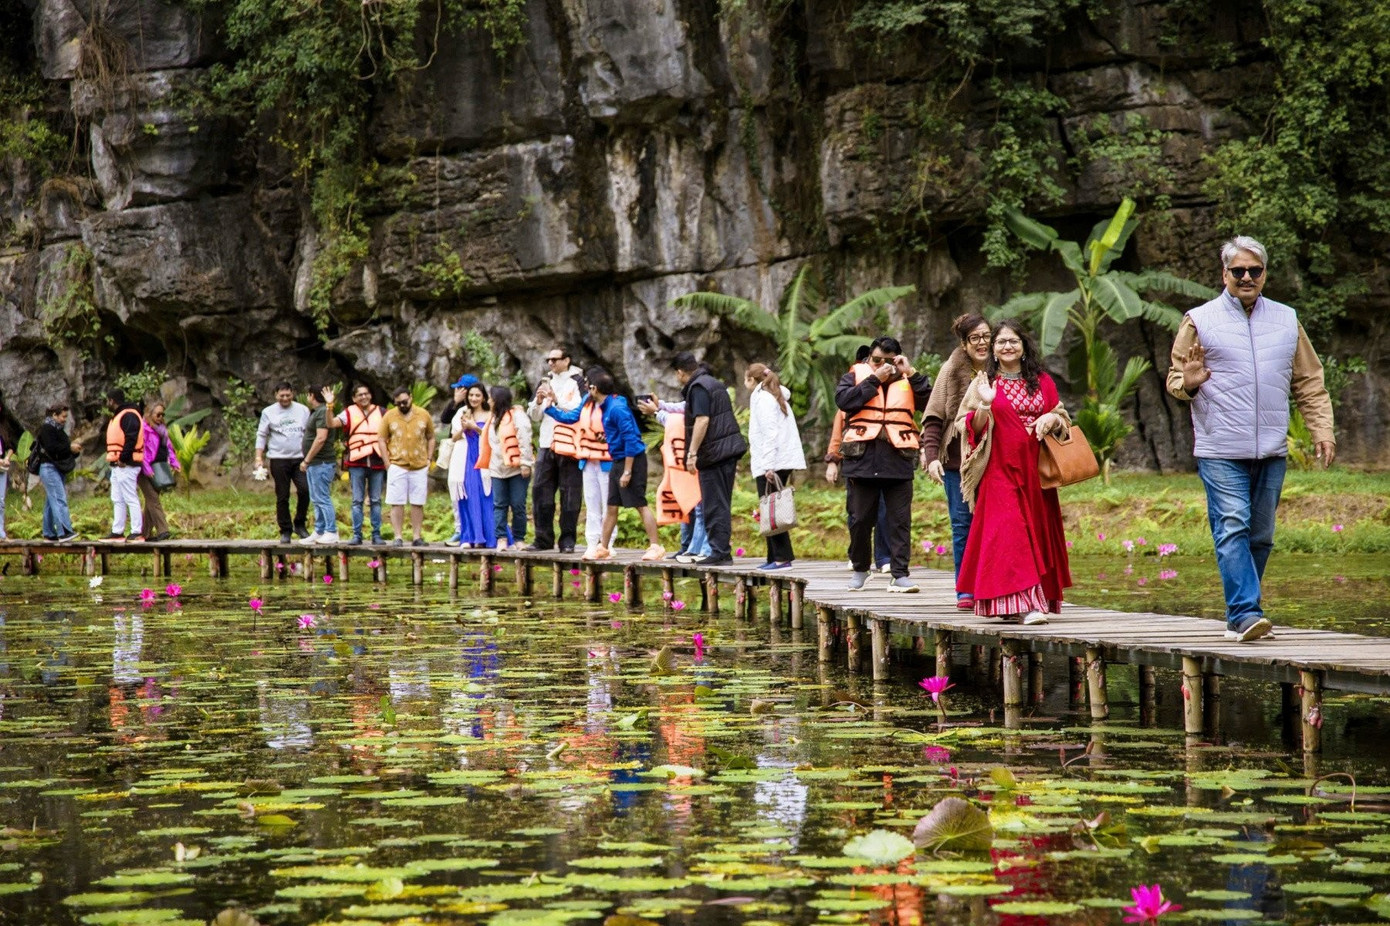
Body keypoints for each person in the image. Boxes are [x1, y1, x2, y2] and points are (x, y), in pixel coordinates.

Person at [1166, 236, 1335, 643]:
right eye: (1237, 270)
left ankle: (1238, 613)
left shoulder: (1286, 319)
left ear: (1264, 274)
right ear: (1224, 274)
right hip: (1220, 445)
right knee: (1233, 525)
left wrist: (1322, 429)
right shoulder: (1199, 319)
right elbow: (1175, 380)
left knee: (1260, 535)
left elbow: (1309, 382)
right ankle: (1245, 613)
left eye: (1254, 271)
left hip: (1272, 448)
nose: (1246, 277)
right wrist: (1188, 383)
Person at [955, 320, 1072, 625]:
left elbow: (1062, 416)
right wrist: (984, 404)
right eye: (1001, 342)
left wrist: (1050, 418)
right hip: (999, 469)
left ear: (1024, 346)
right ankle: (1026, 604)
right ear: (992, 349)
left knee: (1036, 530)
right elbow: (970, 429)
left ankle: (1014, 604)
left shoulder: (1043, 380)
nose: (1007, 346)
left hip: (1036, 470)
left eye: (1013, 341)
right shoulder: (983, 382)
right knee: (1010, 534)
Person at [835, 336, 932, 592]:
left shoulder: (908, 380)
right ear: (869, 359)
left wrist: (909, 371)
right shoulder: (857, 375)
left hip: (898, 459)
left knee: (899, 520)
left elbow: (931, 403)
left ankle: (899, 574)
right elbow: (844, 401)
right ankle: (860, 568)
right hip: (862, 459)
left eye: (889, 361)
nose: (883, 365)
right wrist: (874, 378)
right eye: (877, 360)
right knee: (859, 519)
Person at [920, 314, 993, 609]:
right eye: (975, 338)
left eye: (986, 336)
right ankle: (965, 589)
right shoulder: (950, 370)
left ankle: (991, 586)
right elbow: (934, 417)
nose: (982, 343)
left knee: (992, 525)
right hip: (956, 462)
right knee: (963, 524)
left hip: (993, 459)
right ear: (964, 343)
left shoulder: (1001, 369)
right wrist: (931, 458)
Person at [578, 370, 664, 561]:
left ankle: (656, 546)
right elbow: (618, 433)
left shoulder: (616, 408)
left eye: (588, 385)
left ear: (594, 388)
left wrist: (627, 471)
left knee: (640, 504)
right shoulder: (606, 406)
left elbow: (631, 441)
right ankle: (603, 547)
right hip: (617, 460)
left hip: (631, 460)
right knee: (611, 506)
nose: (586, 388)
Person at [672, 352, 747, 565]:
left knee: (714, 504)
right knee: (719, 503)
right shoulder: (714, 383)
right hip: (725, 450)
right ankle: (721, 550)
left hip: (714, 453)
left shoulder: (698, 388)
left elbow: (702, 420)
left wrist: (692, 453)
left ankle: (720, 552)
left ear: (680, 372)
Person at [825, 347, 892, 573]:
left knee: (884, 511)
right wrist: (833, 460)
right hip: (857, 462)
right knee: (857, 512)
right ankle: (858, 555)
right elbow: (838, 431)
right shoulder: (851, 395)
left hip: (885, 461)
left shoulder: (893, 389)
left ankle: (884, 558)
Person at [545, 365, 615, 556]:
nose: (585, 386)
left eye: (587, 384)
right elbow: (570, 418)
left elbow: (620, 430)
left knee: (608, 503)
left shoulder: (616, 404)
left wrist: (607, 436)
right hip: (588, 460)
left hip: (606, 461)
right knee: (591, 502)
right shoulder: (586, 402)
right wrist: (551, 407)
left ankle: (608, 544)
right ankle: (593, 542)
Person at [745, 363, 807, 570]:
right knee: (768, 509)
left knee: (773, 510)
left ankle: (782, 558)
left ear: (752, 380)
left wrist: (768, 466)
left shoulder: (763, 398)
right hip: (775, 459)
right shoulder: (772, 395)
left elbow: (770, 433)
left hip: (772, 462)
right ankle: (773, 556)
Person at [526, 348, 585, 552]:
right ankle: (542, 539)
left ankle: (567, 541)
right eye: (548, 359)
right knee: (540, 491)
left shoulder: (578, 380)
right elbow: (533, 415)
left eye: (555, 359)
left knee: (570, 494)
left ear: (567, 360)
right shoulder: (545, 380)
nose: (550, 363)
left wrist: (556, 400)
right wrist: (540, 401)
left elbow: (580, 410)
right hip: (546, 442)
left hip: (569, 444)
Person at [638, 395, 707, 563]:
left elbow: (678, 420)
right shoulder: (693, 401)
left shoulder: (704, 405)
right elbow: (680, 408)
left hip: (696, 462)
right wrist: (660, 405)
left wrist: (656, 412)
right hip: (681, 464)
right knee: (684, 505)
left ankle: (695, 550)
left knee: (698, 507)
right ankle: (686, 547)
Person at [378, 386, 436, 546]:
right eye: (398, 403)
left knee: (418, 502)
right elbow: (381, 439)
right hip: (397, 464)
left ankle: (417, 536)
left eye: (405, 402)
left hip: (419, 464)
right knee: (397, 501)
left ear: (411, 398)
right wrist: (387, 463)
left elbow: (431, 437)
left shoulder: (423, 414)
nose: (402, 405)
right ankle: (398, 536)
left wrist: (429, 458)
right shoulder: (389, 416)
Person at [328, 383, 385, 545]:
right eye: (359, 395)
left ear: (371, 395)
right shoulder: (348, 413)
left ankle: (376, 534)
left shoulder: (381, 412)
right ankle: (357, 535)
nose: (363, 397)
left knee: (375, 500)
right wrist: (329, 405)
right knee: (357, 500)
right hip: (357, 462)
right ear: (354, 398)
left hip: (377, 460)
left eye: (366, 393)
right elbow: (331, 423)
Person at [478, 385, 534, 550]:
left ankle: (519, 538)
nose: (488, 401)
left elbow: (524, 439)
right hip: (497, 468)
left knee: (518, 504)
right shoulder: (492, 418)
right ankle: (501, 538)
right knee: (499, 504)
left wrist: (525, 463)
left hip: (517, 468)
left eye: (490, 398)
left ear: (497, 400)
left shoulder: (518, 416)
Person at [254, 382, 311, 543]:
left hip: (300, 458)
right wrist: (259, 457)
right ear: (276, 395)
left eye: (288, 395)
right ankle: (285, 530)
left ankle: (300, 524)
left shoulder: (303, 410)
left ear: (292, 394)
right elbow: (262, 435)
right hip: (278, 459)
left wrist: (309, 457)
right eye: (282, 396)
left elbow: (308, 433)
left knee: (305, 490)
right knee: (282, 495)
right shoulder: (268, 412)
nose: (285, 398)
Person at [448, 379, 494, 548]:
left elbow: (492, 436)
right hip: (468, 458)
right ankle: (469, 536)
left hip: (484, 457)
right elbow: (453, 437)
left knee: (486, 496)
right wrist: (464, 427)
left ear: (483, 397)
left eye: (477, 395)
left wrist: (475, 427)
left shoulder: (490, 414)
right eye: (471, 395)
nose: (474, 398)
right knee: (468, 496)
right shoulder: (463, 412)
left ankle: (487, 537)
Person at [298, 386, 340, 544]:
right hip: (315, 463)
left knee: (322, 497)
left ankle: (331, 530)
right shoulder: (318, 412)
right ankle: (319, 530)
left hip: (321, 462)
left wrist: (307, 459)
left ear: (311, 396)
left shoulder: (323, 411)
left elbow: (321, 438)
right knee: (316, 498)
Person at [104, 388, 145, 543]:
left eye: (107, 401)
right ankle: (117, 531)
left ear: (112, 401)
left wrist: (123, 458)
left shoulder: (129, 415)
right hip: (117, 465)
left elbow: (131, 438)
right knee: (117, 498)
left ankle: (136, 531)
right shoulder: (119, 415)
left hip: (126, 464)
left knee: (130, 497)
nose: (107, 404)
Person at [34, 404, 80, 541]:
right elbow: (52, 448)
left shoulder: (58, 430)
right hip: (49, 468)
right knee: (59, 500)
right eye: (63, 416)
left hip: (56, 468)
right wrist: (69, 447)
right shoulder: (47, 429)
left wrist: (73, 451)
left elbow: (62, 451)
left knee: (50, 501)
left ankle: (48, 531)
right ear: (54, 415)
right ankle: (64, 531)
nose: (64, 420)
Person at [137, 402, 181, 541]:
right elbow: (140, 450)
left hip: (159, 469)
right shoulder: (143, 429)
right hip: (145, 470)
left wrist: (174, 462)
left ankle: (144, 534)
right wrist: (146, 468)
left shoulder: (162, 430)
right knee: (153, 499)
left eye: (163, 414)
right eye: (158, 414)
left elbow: (169, 448)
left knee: (151, 502)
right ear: (149, 415)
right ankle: (163, 530)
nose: (160, 417)